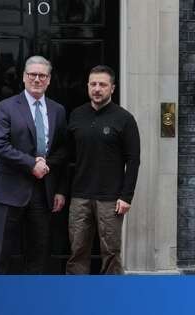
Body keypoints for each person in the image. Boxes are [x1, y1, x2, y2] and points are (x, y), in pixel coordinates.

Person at [0, 55, 68, 274]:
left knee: (38, 255)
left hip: (43, 194)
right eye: (32, 75)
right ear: (24, 77)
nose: (37, 79)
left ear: (49, 79)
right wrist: (31, 163)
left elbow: (63, 150)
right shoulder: (6, 107)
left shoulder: (58, 110)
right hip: (8, 192)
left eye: (42, 75)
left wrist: (58, 186)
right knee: (2, 255)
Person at [65, 65, 140, 274]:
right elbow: (66, 157)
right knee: (77, 250)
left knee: (111, 253)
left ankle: (111, 298)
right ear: (88, 86)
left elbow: (133, 160)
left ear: (112, 88)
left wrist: (127, 196)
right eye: (93, 84)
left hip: (111, 199)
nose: (97, 89)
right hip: (79, 196)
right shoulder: (76, 115)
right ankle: (76, 297)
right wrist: (62, 191)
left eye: (103, 85)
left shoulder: (124, 119)